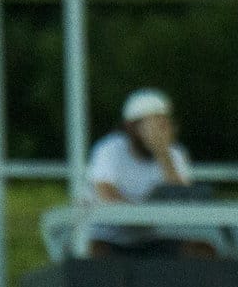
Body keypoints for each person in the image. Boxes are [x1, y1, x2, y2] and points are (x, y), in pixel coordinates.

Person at [85, 87, 211, 258]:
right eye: (150, 127)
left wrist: (162, 153)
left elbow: (183, 198)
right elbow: (106, 193)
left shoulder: (174, 154)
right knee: (93, 254)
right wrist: (140, 214)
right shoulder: (109, 149)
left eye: (162, 126)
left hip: (154, 238)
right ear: (131, 128)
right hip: (111, 239)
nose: (157, 133)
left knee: (201, 252)